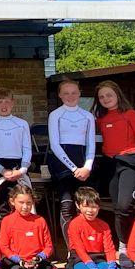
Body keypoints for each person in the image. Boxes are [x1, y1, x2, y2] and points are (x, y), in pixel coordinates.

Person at [93, 80, 135, 262]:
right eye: (101, 97)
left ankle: (131, 245)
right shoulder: (100, 119)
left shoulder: (129, 114)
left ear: (117, 94)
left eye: (109, 95)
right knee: (118, 206)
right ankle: (124, 246)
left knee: (126, 205)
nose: (105, 99)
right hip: (111, 164)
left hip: (130, 162)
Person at [48, 79, 96, 243]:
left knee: (85, 206)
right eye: (66, 93)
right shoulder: (55, 115)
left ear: (79, 94)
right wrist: (74, 168)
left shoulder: (88, 116)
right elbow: (54, 144)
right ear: (60, 95)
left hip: (83, 164)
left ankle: (86, 244)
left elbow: (91, 144)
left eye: (74, 92)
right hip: (62, 165)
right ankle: (72, 249)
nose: (70, 96)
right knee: (67, 205)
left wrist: (87, 166)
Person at [0, 88, 31, 219]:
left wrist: (22, 170)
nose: (4, 105)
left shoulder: (22, 124)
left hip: (18, 168)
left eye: (7, 102)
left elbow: (27, 149)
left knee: (22, 205)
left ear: (13, 103)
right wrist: (2, 170)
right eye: (0, 102)